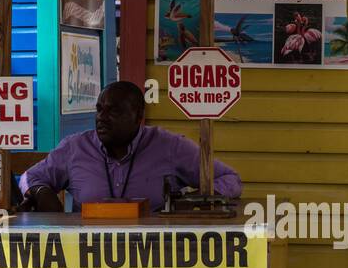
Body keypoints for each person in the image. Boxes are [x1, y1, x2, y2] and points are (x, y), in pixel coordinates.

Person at [20, 80, 242, 212]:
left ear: (138, 117)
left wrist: (190, 202)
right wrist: (40, 191)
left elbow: (230, 180)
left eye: (113, 111)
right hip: (87, 261)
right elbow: (29, 178)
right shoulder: (76, 148)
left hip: (156, 261)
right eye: (99, 109)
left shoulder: (169, 146)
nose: (101, 118)